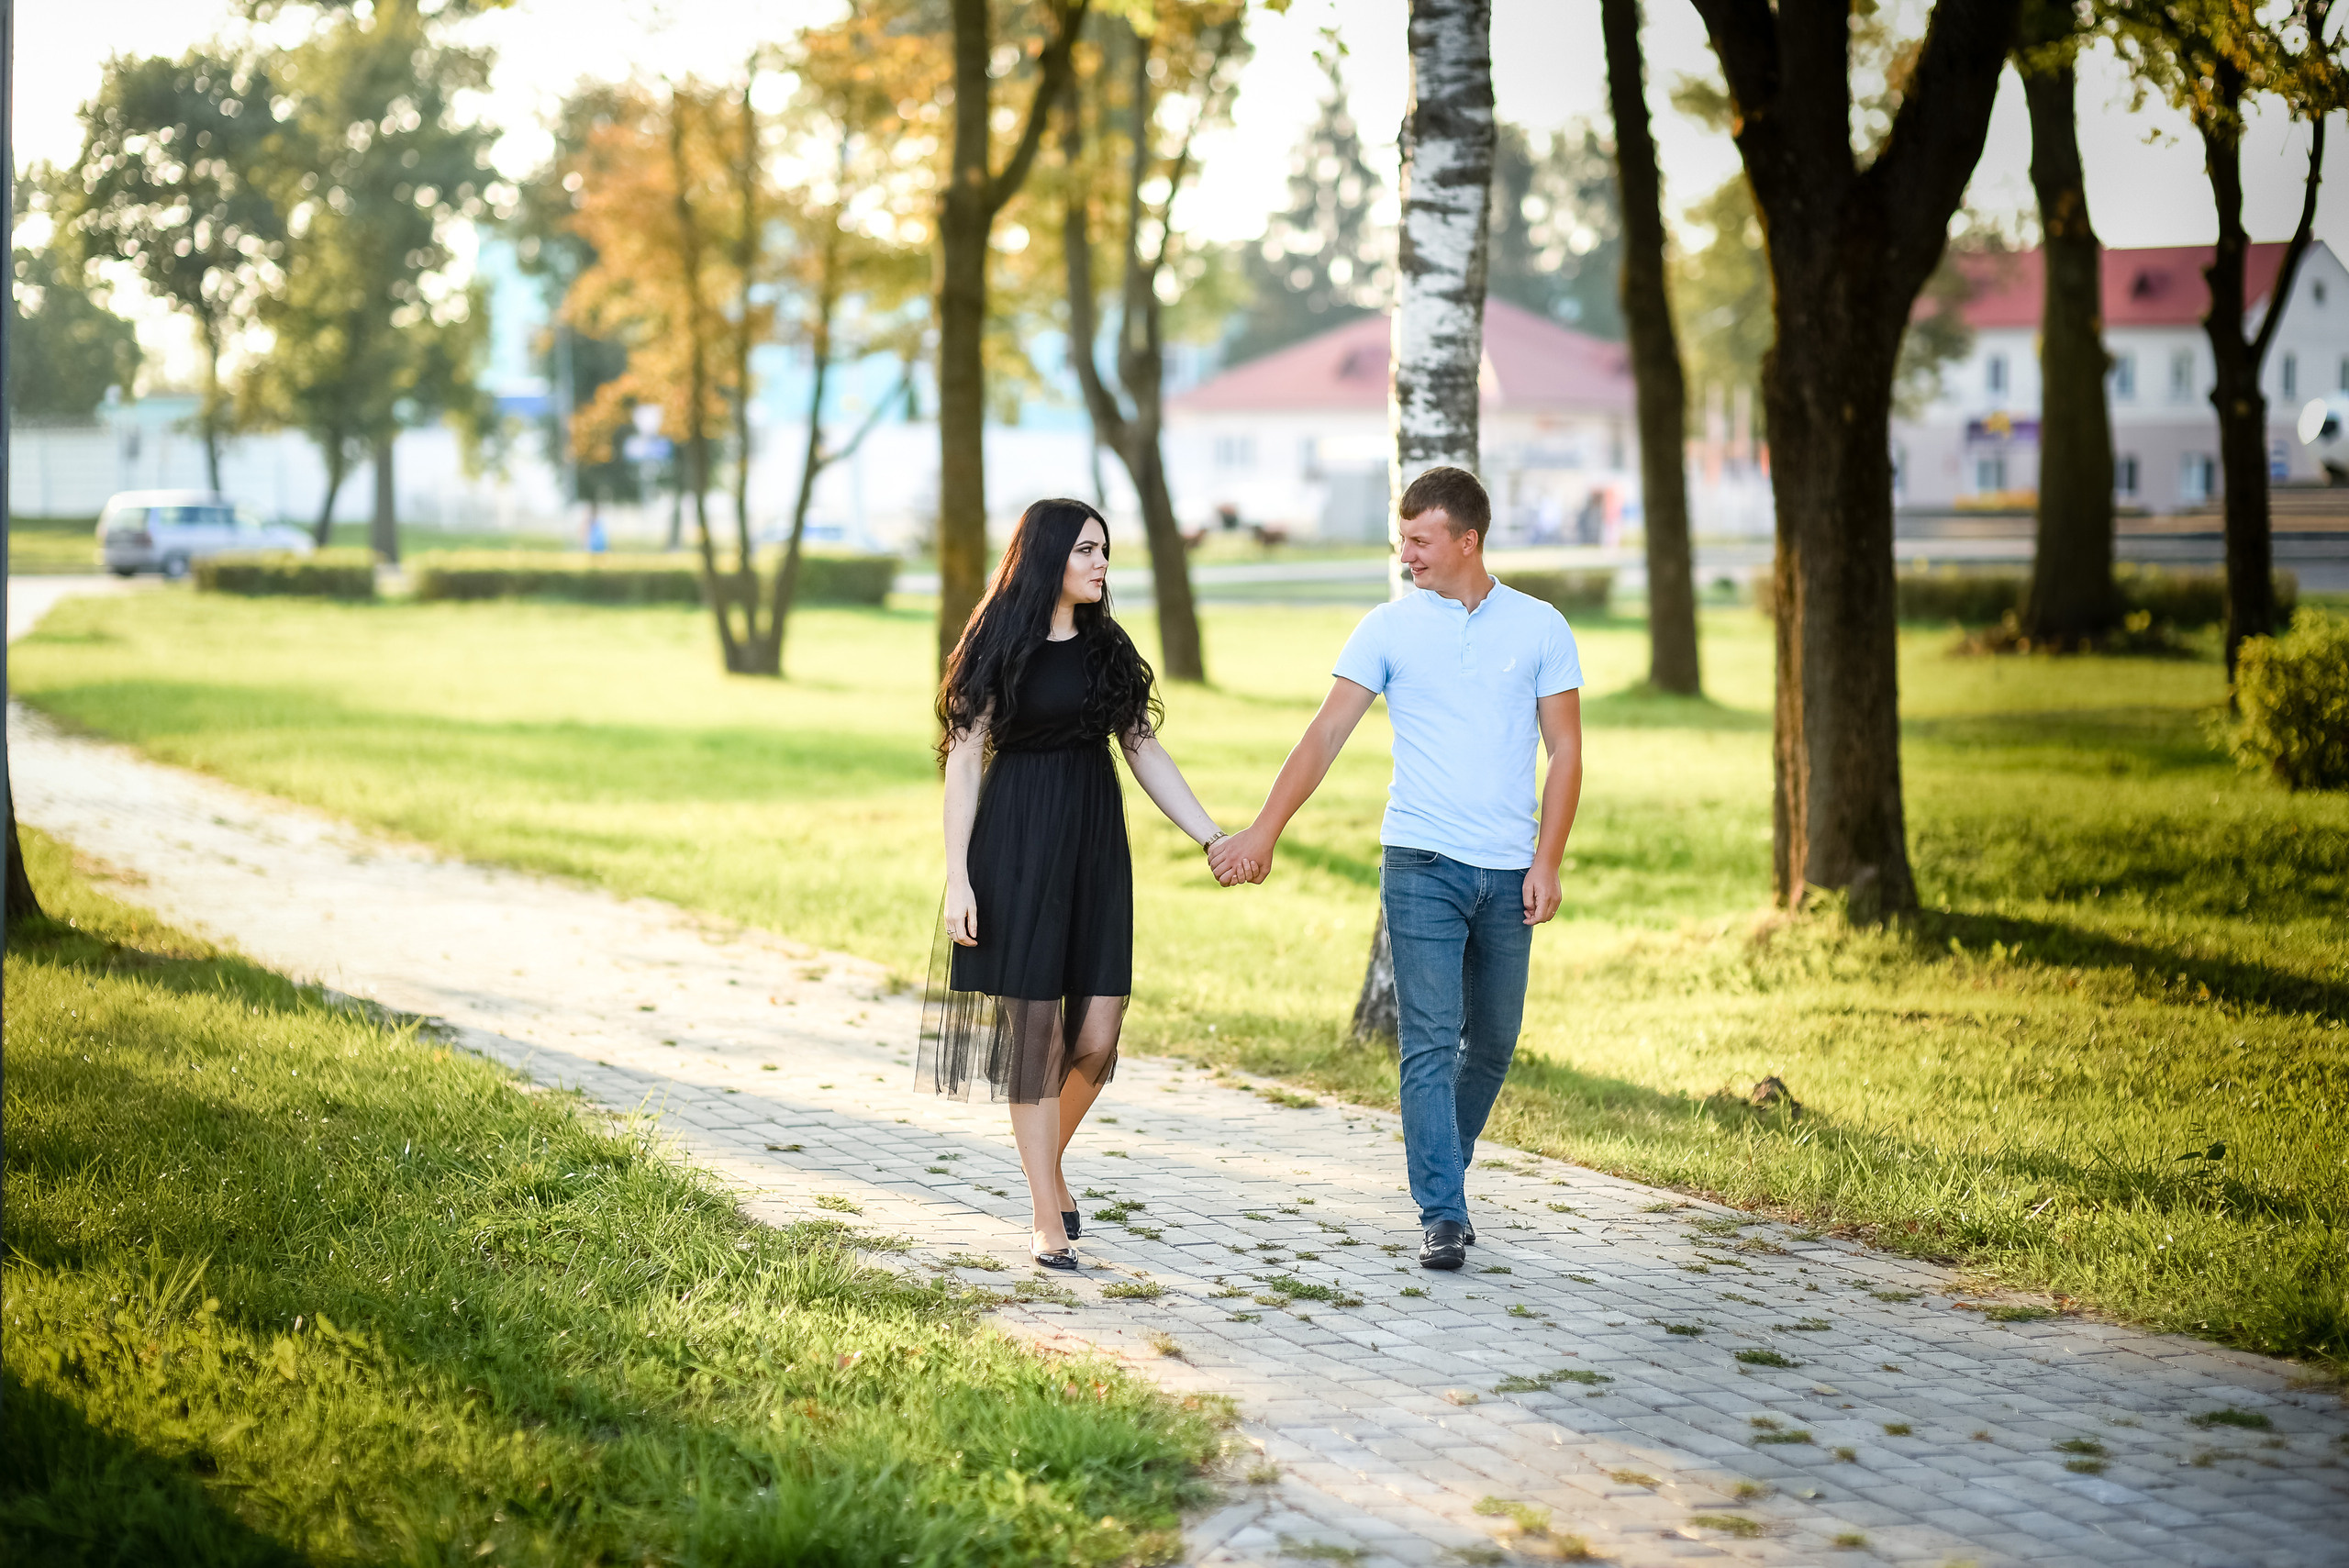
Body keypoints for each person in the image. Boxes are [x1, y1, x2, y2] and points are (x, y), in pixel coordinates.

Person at [1210, 466, 1584, 1272]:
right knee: (1428, 1040)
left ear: (1467, 540)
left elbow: (1566, 750)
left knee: (1494, 1040)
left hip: (1508, 869)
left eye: (1420, 539)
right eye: (1402, 538)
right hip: (1420, 861)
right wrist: (1265, 831)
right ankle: (1442, 1210)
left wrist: (1548, 860)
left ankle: (1445, 1169)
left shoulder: (1541, 626)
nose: (1405, 553)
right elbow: (1324, 736)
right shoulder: (1387, 628)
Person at [924, 497, 1254, 1270]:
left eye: (1104, 550)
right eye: (1085, 550)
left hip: (1094, 846)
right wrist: (958, 877)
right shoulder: (996, 639)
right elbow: (964, 762)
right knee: (1036, 1038)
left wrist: (1211, 834)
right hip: (1017, 842)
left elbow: (1142, 748)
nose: (1101, 564)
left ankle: (1046, 1165)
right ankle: (1046, 1214)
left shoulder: (1106, 645)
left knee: (1098, 1036)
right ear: (1047, 556)